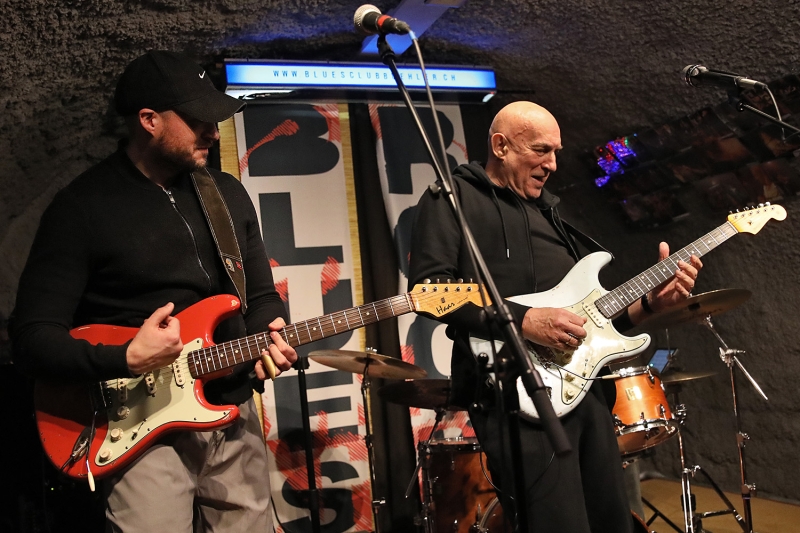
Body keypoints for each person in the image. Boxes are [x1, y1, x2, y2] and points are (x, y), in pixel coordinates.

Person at [10, 50, 297, 532]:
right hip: (140, 426)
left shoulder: (226, 194)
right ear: (149, 120)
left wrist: (269, 332)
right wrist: (125, 357)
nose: (213, 132)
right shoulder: (81, 209)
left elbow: (260, 296)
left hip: (232, 411)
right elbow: (31, 339)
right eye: (198, 120)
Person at [407, 101, 702, 533]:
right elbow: (428, 293)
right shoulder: (452, 199)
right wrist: (524, 319)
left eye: (556, 152)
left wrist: (652, 305)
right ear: (501, 146)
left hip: (585, 393)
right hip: (513, 397)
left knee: (611, 522)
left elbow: (594, 326)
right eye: (541, 150)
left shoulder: (551, 215)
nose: (553, 164)